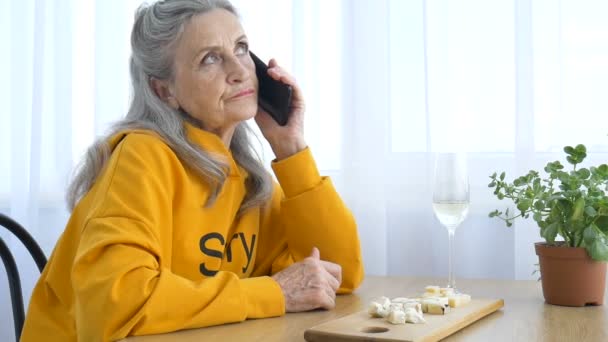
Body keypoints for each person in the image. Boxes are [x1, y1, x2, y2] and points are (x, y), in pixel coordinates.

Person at [21, 0, 364, 341]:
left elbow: (338, 276)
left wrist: (290, 150)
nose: (240, 70)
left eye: (241, 48)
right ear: (164, 90)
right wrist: (273, 293)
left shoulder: (248, 178)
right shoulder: (141, 156)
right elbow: (116, 304)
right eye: (210, 58)